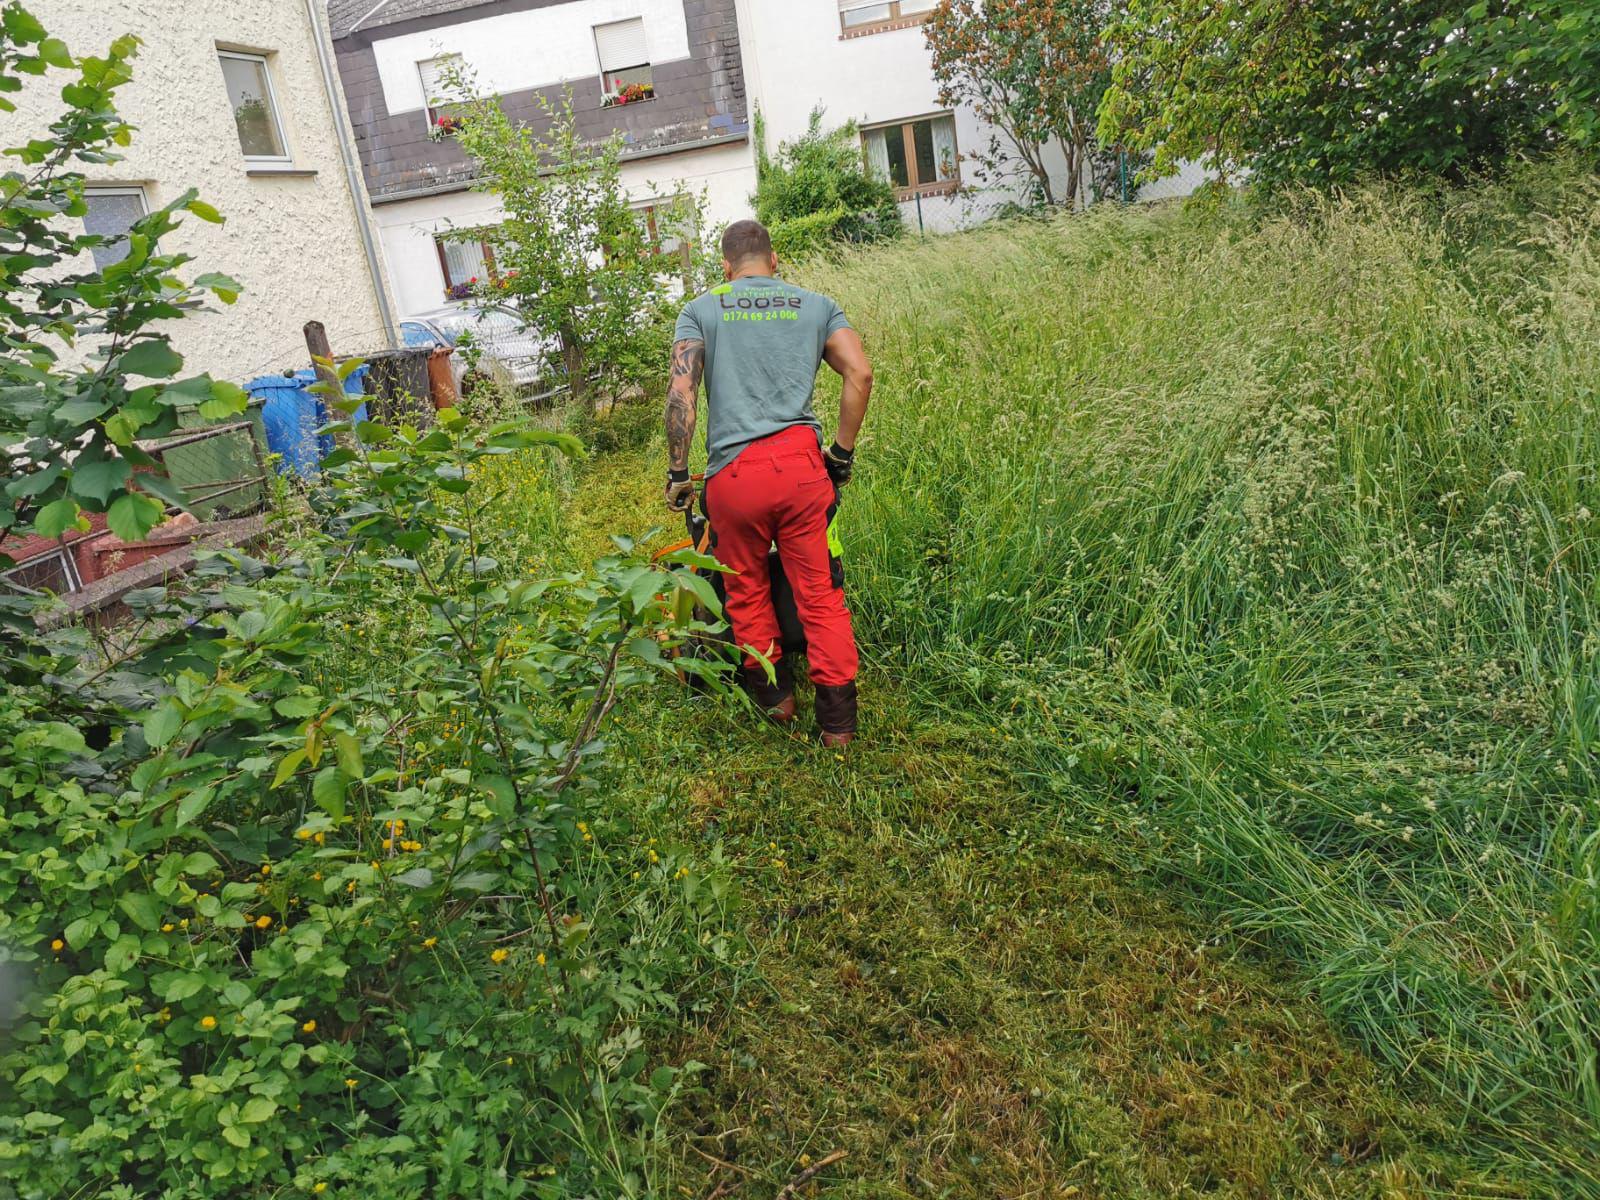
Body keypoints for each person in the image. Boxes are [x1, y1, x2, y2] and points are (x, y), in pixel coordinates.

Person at [664, 219, 873, 746]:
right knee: (821, 594)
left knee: (746, 588)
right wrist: (840, 454)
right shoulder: (817, 305)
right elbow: (861, 373)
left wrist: (677, 472)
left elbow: (682, 395)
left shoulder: (701, 309)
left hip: (734, 477)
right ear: (774, 261)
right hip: (802, 471)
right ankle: (838, 725)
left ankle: (776, 700)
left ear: (726, 267)